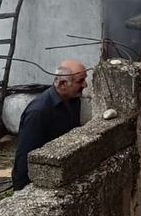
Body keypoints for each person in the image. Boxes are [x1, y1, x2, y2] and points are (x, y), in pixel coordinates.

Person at [12, 60, 87, 191]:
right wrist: (22, 192)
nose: (85, 85)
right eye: (80, 81)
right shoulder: (38, 112)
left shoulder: (74, 100)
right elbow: (25, 156)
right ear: (63, 84)